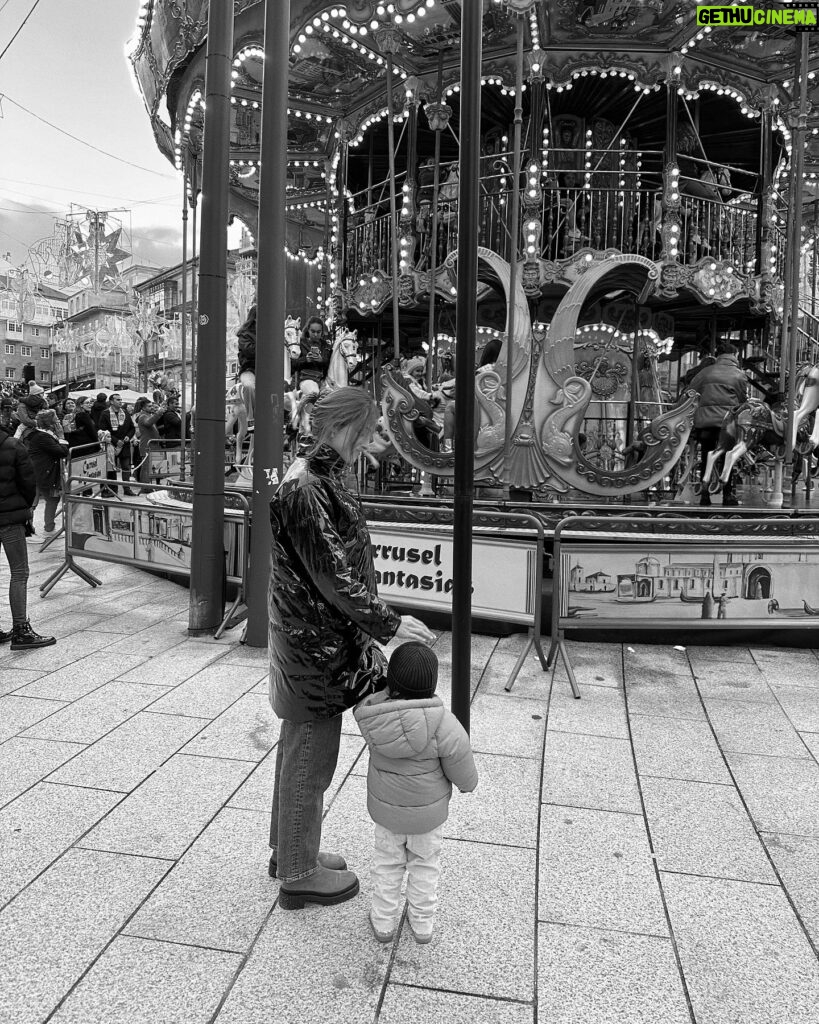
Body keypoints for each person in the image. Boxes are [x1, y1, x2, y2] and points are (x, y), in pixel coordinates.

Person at [267, 387, 434, 909]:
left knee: (300, 751)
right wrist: (390, 624)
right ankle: (298, 871)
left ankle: (290, 849)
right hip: (314, 646)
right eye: (369, 429)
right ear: (346, 427)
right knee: (311, 760)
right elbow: (333, 575)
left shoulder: (321, 475)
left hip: (316, 639)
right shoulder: (307, 486)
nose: (374, 439)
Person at [354, 641, 478, 944]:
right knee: (425, 867)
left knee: (386, 865)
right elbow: (461, 764)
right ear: (433, 684)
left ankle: (383, 921)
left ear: (391, 683)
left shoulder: (375, 716)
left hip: (387, 816)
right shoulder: (446, 724)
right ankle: (422, 924)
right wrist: (467, 784)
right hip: (427, 819)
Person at [0, 412, 56, 650]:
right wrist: (25, 508)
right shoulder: (13, 445)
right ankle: (21, 630)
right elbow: (27, 483)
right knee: (19, 572)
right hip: (10, 518)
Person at [689, 342, 748, 507]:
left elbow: (691, 391)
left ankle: (704, 495)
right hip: (727, 425)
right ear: (734, 355)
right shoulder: (739, 375)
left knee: (706, 457)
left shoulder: (705, 372)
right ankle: (728, 495)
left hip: (705, 423)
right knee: (727, 458)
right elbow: (743, 401)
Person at [26, 410, 69, 537]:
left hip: (45, 472)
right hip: (41, 473)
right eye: (56, 420)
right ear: (50, 423)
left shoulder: (45, 434)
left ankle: (48, 528)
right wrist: (62, 437)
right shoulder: (42, 437)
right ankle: (29, 531)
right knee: (36, 501)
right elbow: (62, 451)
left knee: (52, 498)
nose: (59, 422)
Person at [99, 393, 136, 495]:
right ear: (111, 401)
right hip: (111, 445)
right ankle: (112, 489)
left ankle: (127, 489)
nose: (120, 401)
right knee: (111, 468)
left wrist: (129, 436)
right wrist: (115, 440)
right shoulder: (105, 413)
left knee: (126, 467)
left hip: (125, 444)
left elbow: (132, 428)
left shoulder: (125, 412)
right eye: (118, 400)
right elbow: (103, 430)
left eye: (121, 399)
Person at [291, 316, 332, 390]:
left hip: (323, 381)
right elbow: (292, 364)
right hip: (304, 379)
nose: (315, 334)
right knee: (313, 391)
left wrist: (321, 360)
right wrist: (306, 360)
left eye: (318, 332)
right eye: (313, 331)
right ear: (308, 330)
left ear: (322, 331)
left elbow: (330, 364)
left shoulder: (326, 346)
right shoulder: (300, 343)